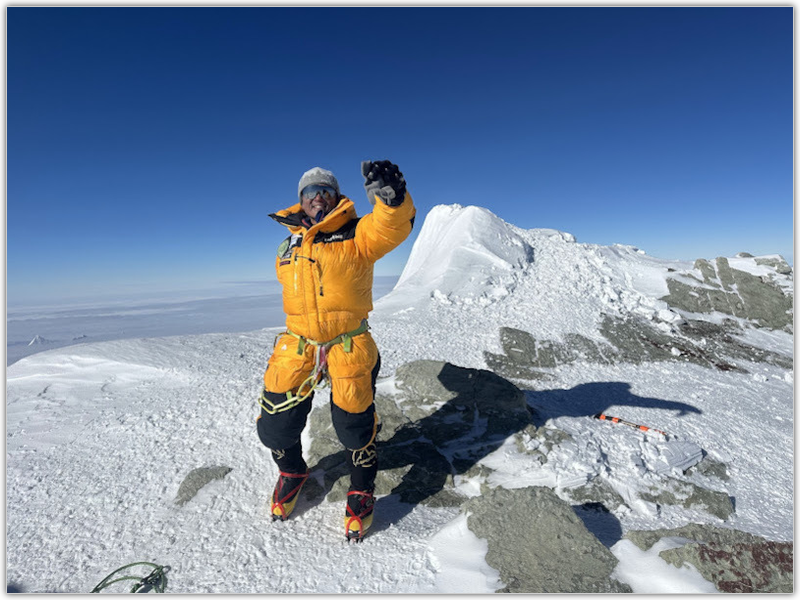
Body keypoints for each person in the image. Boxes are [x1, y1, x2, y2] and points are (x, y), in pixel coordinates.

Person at [256, 160, 415, 541]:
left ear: (337, 196)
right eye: (310, 192)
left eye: (326, 190)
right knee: (274, 425)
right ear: (301, 200)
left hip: (348, 342)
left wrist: (392, 200)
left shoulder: (357, 233)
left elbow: (391, 227)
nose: (318, 197)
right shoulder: (289, 244)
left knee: (354, 426)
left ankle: (361, 489)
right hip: (298, 344)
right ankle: (292, 472)